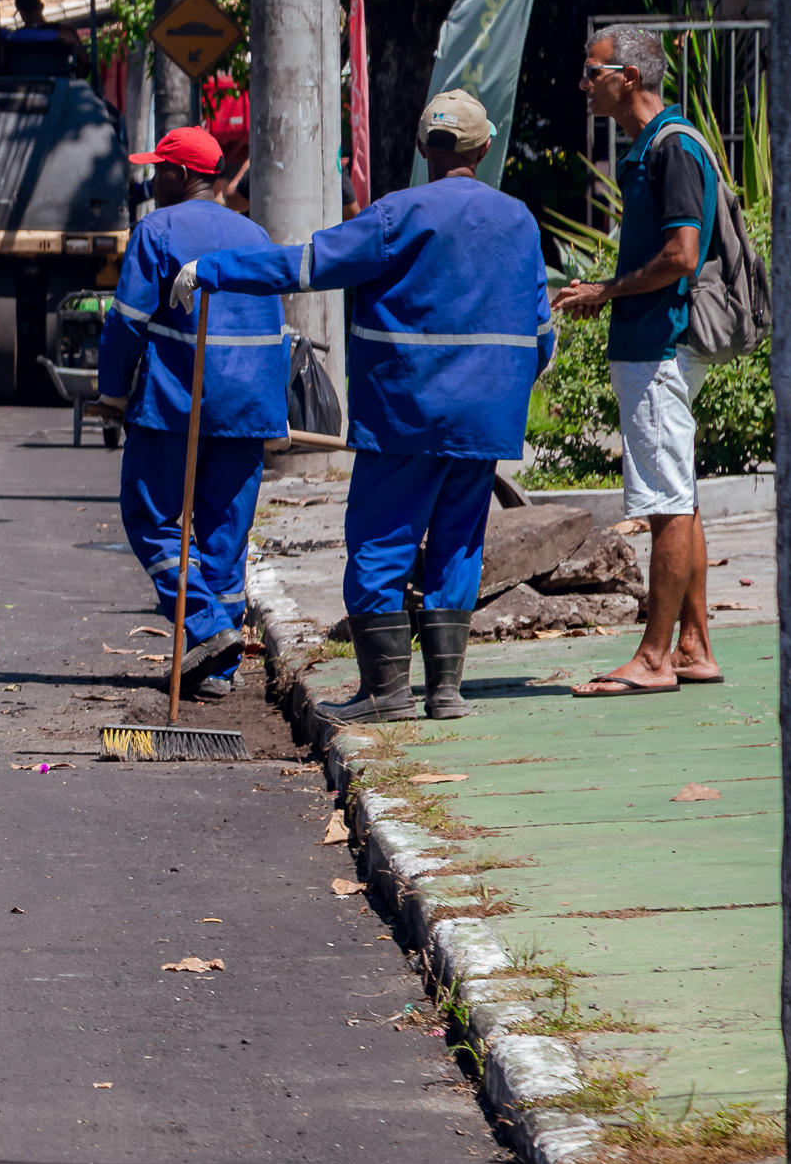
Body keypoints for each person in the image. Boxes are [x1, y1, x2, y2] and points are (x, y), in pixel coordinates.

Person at [172, 89, 553, 721]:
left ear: (423, 149)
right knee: (459, 543)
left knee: (381, 539)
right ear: (484, 150)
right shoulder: (519, 220)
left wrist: (215, 269)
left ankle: (386, 692)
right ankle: (447, 690)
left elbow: (306, 264)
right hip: (487, 414)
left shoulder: (395, 215)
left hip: (409, 410)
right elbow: (539, 327)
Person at [551, 26, 722, 694]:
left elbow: (682, 255)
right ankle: (693, 646)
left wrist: (607, 290)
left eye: (592, 71)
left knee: (667, 501)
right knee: (677, 497)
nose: (584, 83)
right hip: (654, 343)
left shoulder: (671, 147)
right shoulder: (658, 144)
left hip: (658, 346)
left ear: (628, 77)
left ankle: (654, 659)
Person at [96, 125, 288, 699]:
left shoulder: (156, 229)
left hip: (177, 404)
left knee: (149, 518)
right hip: (249, 408)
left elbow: (127, 321)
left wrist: (112, 391)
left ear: (181, 176)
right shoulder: (255, 232)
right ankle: (220, 670)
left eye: (159, 169)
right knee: (224, 535)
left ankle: (207, 628)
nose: (153, 179)